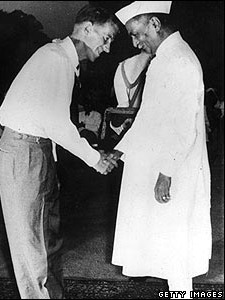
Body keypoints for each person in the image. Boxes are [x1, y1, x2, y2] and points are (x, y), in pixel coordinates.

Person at [0, 4, 119, 299]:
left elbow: (49, 124)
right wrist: (95, 159)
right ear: (87, 29)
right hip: (23, 152)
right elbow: (56, 123)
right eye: (107, 37)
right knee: (32, 250)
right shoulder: (54, 58)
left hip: (38, 151)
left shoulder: (63, 59)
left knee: (48, 243)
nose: (109, 48)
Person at [111, 2, 211, 299]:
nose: (135, 42)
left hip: (175, 169)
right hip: (162, 164)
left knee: (176, 247)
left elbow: (184, 126)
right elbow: (148, 116)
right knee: (165, 246)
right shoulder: (164, 58)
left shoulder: (179, 60)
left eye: (137, 34)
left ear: (155, 23)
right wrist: (120, 151)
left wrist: (166, 172)